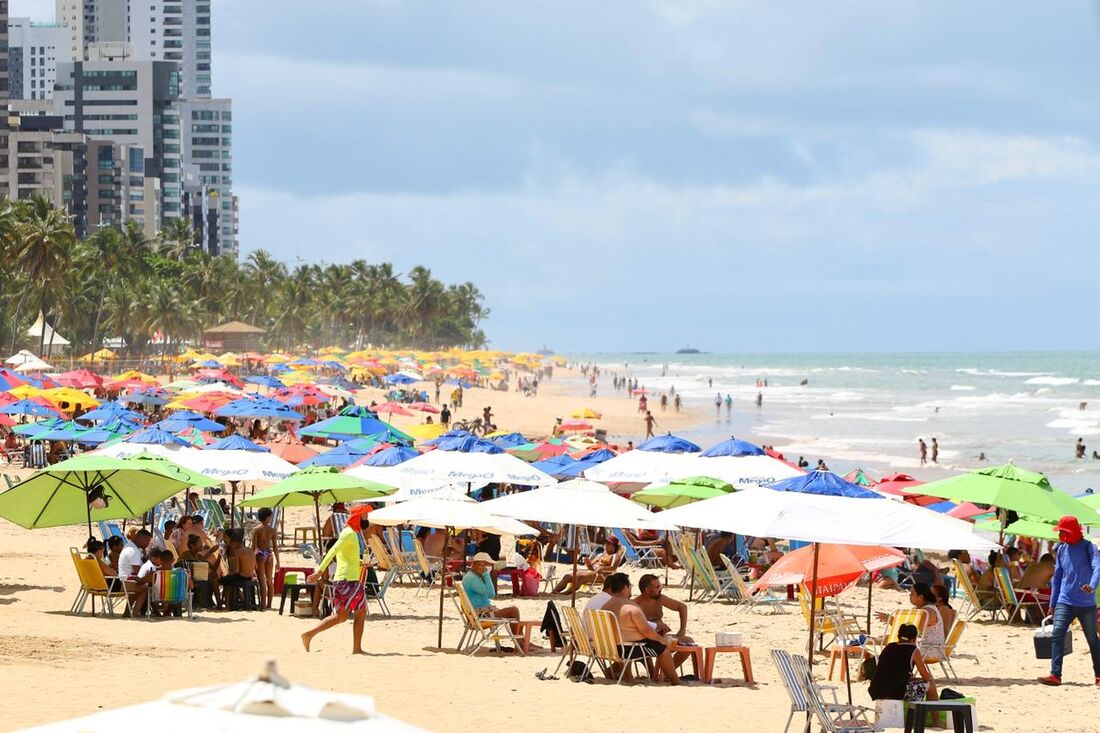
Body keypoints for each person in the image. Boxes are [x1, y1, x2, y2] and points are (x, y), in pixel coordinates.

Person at [1038, 515, 1100, 686]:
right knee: (1058, 634)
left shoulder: (1088, 547)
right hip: (1065, 600)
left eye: (1064, 532)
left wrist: (1092, 585)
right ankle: (1055, 675)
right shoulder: (1062, 550)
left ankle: (1099, 675)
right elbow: (1057, 578)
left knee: (1092, 638)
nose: (1061, 535)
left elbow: (1097, 566)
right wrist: (1052, 603)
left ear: (1073, 531)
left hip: (1086, 603)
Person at [303, 505, 371, 654]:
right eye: (365, 517)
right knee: (360, 612)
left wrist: (361, 562)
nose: (367, 520)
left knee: (341, 616)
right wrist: (320, 572)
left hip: (344, 579)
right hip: (349, 580)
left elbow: (345, 557)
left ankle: (308, 635)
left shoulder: (352, 533)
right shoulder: (348, 533)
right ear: (358, 518)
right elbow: (333, 550)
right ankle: (357, 649)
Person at [602, 574, 681, 685]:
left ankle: (630, 677)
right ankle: (676, 681)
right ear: (625, 588)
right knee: (662, 648)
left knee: (650, 642)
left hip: (610, 648)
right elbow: (646, 631)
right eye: (630, 585)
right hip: (627, 650)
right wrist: (661, 640)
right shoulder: (631, 608)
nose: (630, 588)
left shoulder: (605, 606)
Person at [868, 624, 939, 711]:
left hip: (877, 689)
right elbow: (925, 676)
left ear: (898, 636)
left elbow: (888, 670)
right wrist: (930, 679)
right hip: (897, 691)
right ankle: (936, 721)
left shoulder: (889, 647)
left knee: (911, 682)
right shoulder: (913, 650)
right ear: (914, 639)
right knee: (931, 685)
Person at [462, 552, 521, 636]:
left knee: (514, 617)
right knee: (514, 611)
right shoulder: (472, 578)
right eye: (488, 565)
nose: (489, 568)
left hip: (480, 613)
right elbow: (491, 594)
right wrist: (486, 575)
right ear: (479, 565)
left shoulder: (472, 576)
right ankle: (519, 642)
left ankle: (522, 642)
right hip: (481, 615)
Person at [551, 536, 625, 594]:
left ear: (614, 546)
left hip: (602, 575)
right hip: (592, 571)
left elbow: (613, 568)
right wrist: (588, 563)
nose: (606, 545)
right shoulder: (600, 554)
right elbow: (590, 567)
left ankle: (565, 593)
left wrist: (602, 569)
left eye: (609, 543)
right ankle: (555, 591)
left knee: (580, 577)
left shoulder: (615, 555)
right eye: (606, 543)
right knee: (568, 576)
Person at [220, 528, 257, 610]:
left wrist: (228, 574)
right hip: (250, 576)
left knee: (223, 581)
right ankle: (245, 601)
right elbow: (256, 566)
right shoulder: (251, 550)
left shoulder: (238, 552)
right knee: (228, 579)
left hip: (241, 576)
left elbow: (236, 571)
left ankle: (228, 606)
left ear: (234, 543)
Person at [251, 507, 280, 610]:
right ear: (267, 517)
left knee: (261, 581)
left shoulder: (256, 530)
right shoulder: (272, 530)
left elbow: (254, 548)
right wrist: (278, 561)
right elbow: (275, 547)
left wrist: (253, 560)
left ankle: (263, 605)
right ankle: (269, 605)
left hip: (260, 554)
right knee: (269, 580)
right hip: (269, 554)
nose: (271, 518)